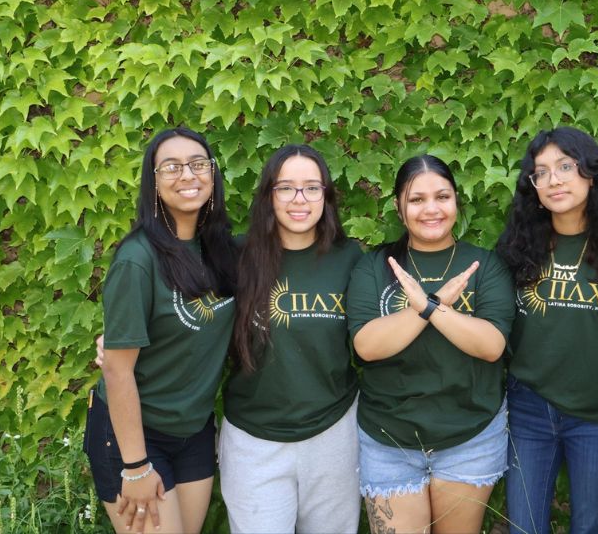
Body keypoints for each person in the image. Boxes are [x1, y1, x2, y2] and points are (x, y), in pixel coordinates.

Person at [346, 155, 516, 533]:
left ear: (457, 201)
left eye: (442, 196)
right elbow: (367, 346)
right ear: (399, 207)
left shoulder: (484, 266)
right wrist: (430, 306)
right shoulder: (374, 267)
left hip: (469, 437)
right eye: (416, 199)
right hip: (388, 438)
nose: (431, 209)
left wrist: (428, 306)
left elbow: (491, 345)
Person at [84, 127, 239, 534]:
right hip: (135, 435)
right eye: (171, 167)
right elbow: (117, 370)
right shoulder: (138, 259)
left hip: (194, 431)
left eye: (198, 164)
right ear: (153, 182)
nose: (187, 175)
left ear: (213, 174)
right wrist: (135, 467)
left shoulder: (222, 250)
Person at [496, 127, 598, 534]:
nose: (554, 180)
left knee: (592, 525)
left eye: (565, 166)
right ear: (533, 187)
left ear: (592, 172)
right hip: (529, 407)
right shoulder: (518, 244)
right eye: (540, 173)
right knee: (524, 525)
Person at [219, 144, 363, 533]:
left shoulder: (351, 259)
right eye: (286, 188)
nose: (299, 199)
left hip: (333, 432)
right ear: (269, 196)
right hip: (254, 439)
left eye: (312, 188)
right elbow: (188, 320)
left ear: (327, 197)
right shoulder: (234, 257)